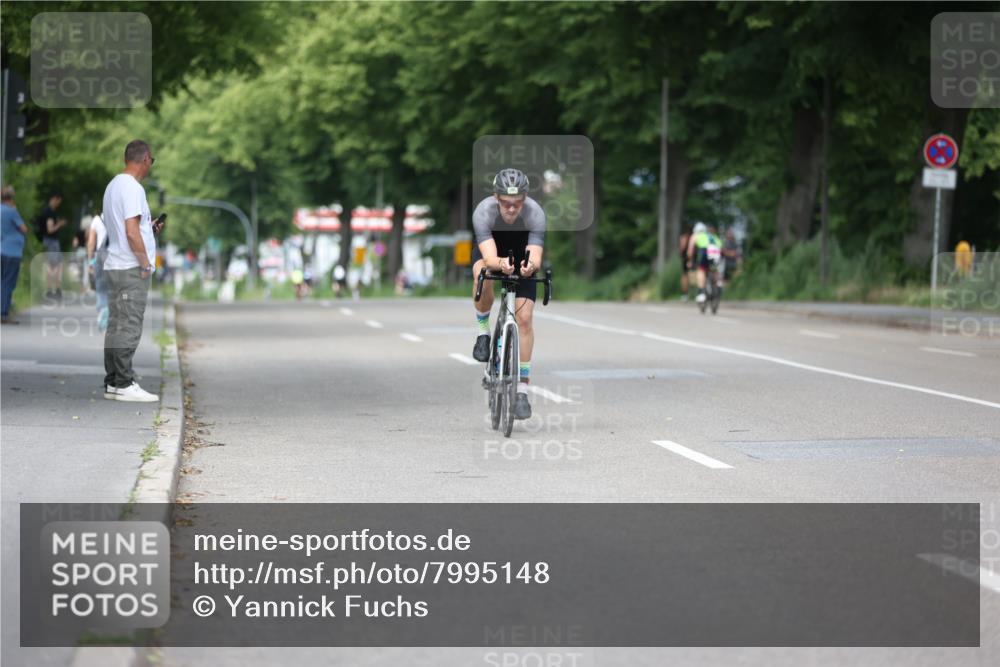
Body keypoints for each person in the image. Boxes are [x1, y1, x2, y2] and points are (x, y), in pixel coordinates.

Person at [470, 168, 546, 420]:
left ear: (524, 199)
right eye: (505, 203)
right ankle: (483, 331)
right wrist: (500, 264)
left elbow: (535, 256)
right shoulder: (484, 212)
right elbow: (490, 257)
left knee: (525, 319)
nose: (512, 209)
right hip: (492, 251)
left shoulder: (535, 213)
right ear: (496, 197)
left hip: (521, 252)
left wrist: (530, 266)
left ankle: (522, 390)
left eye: (517, 204)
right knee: (482, 272)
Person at [102, 140, 164, 402]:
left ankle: (114, 382)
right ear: (146, 159)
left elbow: (124, 226)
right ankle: (125, 383)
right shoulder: (133, 188)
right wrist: (145, 263)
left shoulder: (114, 185)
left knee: (116, 324)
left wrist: (148, 230)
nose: (151, 165)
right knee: (129, 325)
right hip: (130, 267)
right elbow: (129, 231)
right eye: (152, 160)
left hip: (116, 264)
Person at [1, 186, 29, 324]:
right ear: (11, 198)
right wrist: (15, 210)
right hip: (12, 252)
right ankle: (4, 313)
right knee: (8, 282)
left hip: (1, 249)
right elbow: (24, 229)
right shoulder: (12, 212)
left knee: (2, 281)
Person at [35, 191, 65, 300]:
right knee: (53, 265)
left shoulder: (47, 211)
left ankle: (54, 289)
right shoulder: (49, 212)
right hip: (51, 241)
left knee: (54, 264)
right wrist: (59, 224)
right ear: (54, 199)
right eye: (58, 202)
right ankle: (52, 289)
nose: (58, 204)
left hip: (49, 241)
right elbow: (50, 229)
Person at [685, 222, 722, 304]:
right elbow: (720, 245)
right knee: (714, 269)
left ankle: (701, 293)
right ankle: (718, 284)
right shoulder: (711, 235)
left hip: (705, 251)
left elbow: (690, 251)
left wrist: (690, 261)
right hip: (716, 251)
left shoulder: (695, 235)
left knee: (701, 270)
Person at [86, 209, 110, 331]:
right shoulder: (120, 219)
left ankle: (103, 309)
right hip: (118, 257)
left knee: (100, 288)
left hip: (101, 256)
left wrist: (90, 261)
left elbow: (91, 243)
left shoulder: (96, 220)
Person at [678, 225, 692, 301]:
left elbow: (682, 249)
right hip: (691, 257)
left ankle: (685, 294)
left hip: (686, 258)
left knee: (685, 276)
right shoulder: (691, 237)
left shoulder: (683, 237)